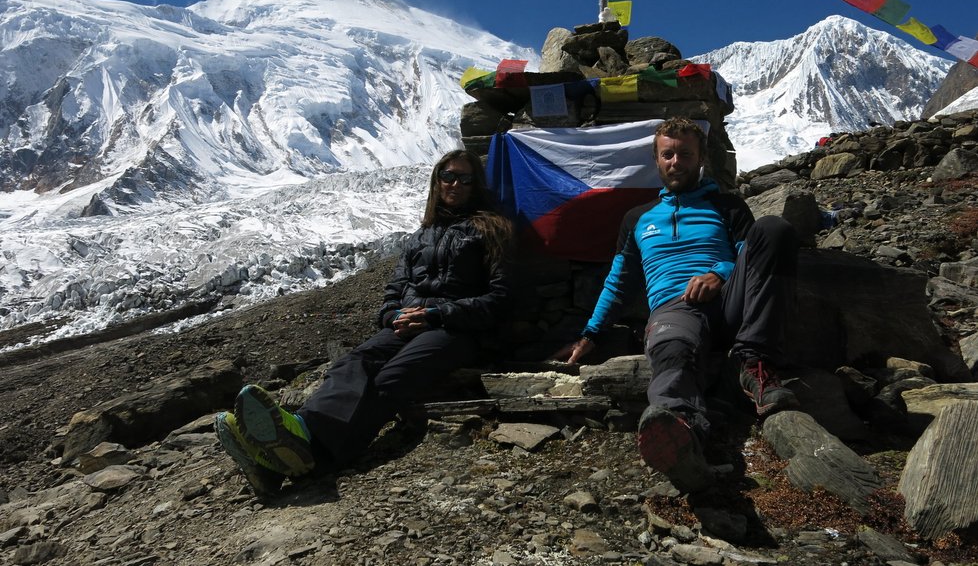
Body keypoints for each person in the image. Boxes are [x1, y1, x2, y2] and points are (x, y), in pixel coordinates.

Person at [215, 149, 513, 498]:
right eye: (448, 176)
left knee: (391, 378)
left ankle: (315, 456)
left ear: (476, 184)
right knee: (353, 362)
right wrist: (393, 315)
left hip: (456, 330)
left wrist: (436, 314)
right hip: (406, 326)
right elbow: (395, 289)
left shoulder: (492, 230)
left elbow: (500, 298)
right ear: (437, 181)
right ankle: (293, 440)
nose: (455, 184)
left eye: (465, 178)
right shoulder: (421, 235)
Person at [556, 117, 799, 493]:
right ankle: (679, 429)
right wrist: (589, 334)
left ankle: (754, 366)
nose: (676, 162)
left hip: (731, 299)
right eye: (667, 154)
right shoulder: (637, 219)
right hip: (675, 308)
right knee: (672, 348)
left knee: (773, 230)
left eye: (685, 154)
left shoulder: (727, 205)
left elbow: (748, 253)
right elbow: (619, 281)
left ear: (700, 158)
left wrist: (719, 273)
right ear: (656, 159)